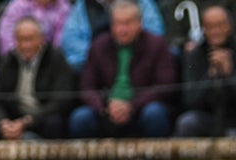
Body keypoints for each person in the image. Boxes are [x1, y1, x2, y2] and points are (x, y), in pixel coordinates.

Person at [68, 0, 175, 137]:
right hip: (107, 110)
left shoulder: (157, 45)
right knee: (81, 118)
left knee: (155, 113)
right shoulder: (99, 45)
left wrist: (132, 106)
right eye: (118, 23)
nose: (122, 29)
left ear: (139, 23)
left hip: (142, 108)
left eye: (128, 23)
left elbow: (165, 85)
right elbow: (87, 86)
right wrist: (105, 107)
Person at [0, 14, 75, 140]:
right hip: (13, 117)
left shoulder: (56, 58)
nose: (25, 45)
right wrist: (3, 123)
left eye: (30, 39)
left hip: (41, 117)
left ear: (41, 39)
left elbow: (61, 102)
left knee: (55, 124)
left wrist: (27, 122)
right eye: (20, 40)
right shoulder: (9, 59)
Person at [175, 4, 236, 137]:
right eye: (210, 27)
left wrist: (230, 73)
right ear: (204, 30)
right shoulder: (195, 56)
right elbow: (190, 101)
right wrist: (210, 76)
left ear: (229, 26)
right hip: (210, 117)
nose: (215, 31)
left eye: (220, 25)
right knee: (187, 122)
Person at [59, 0, 166, 69]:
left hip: (138, 61)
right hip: (96, 66)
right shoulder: (83, 5)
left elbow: (155, 33)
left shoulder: (142, 3)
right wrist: (101, 57)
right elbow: (71, 41)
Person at [0, 0, 72, 57]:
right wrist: (17, 56)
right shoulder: (19, 4)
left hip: (47, 63)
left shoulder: (64, 8)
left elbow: (60, 42)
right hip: (16, 59)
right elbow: (5, 34)